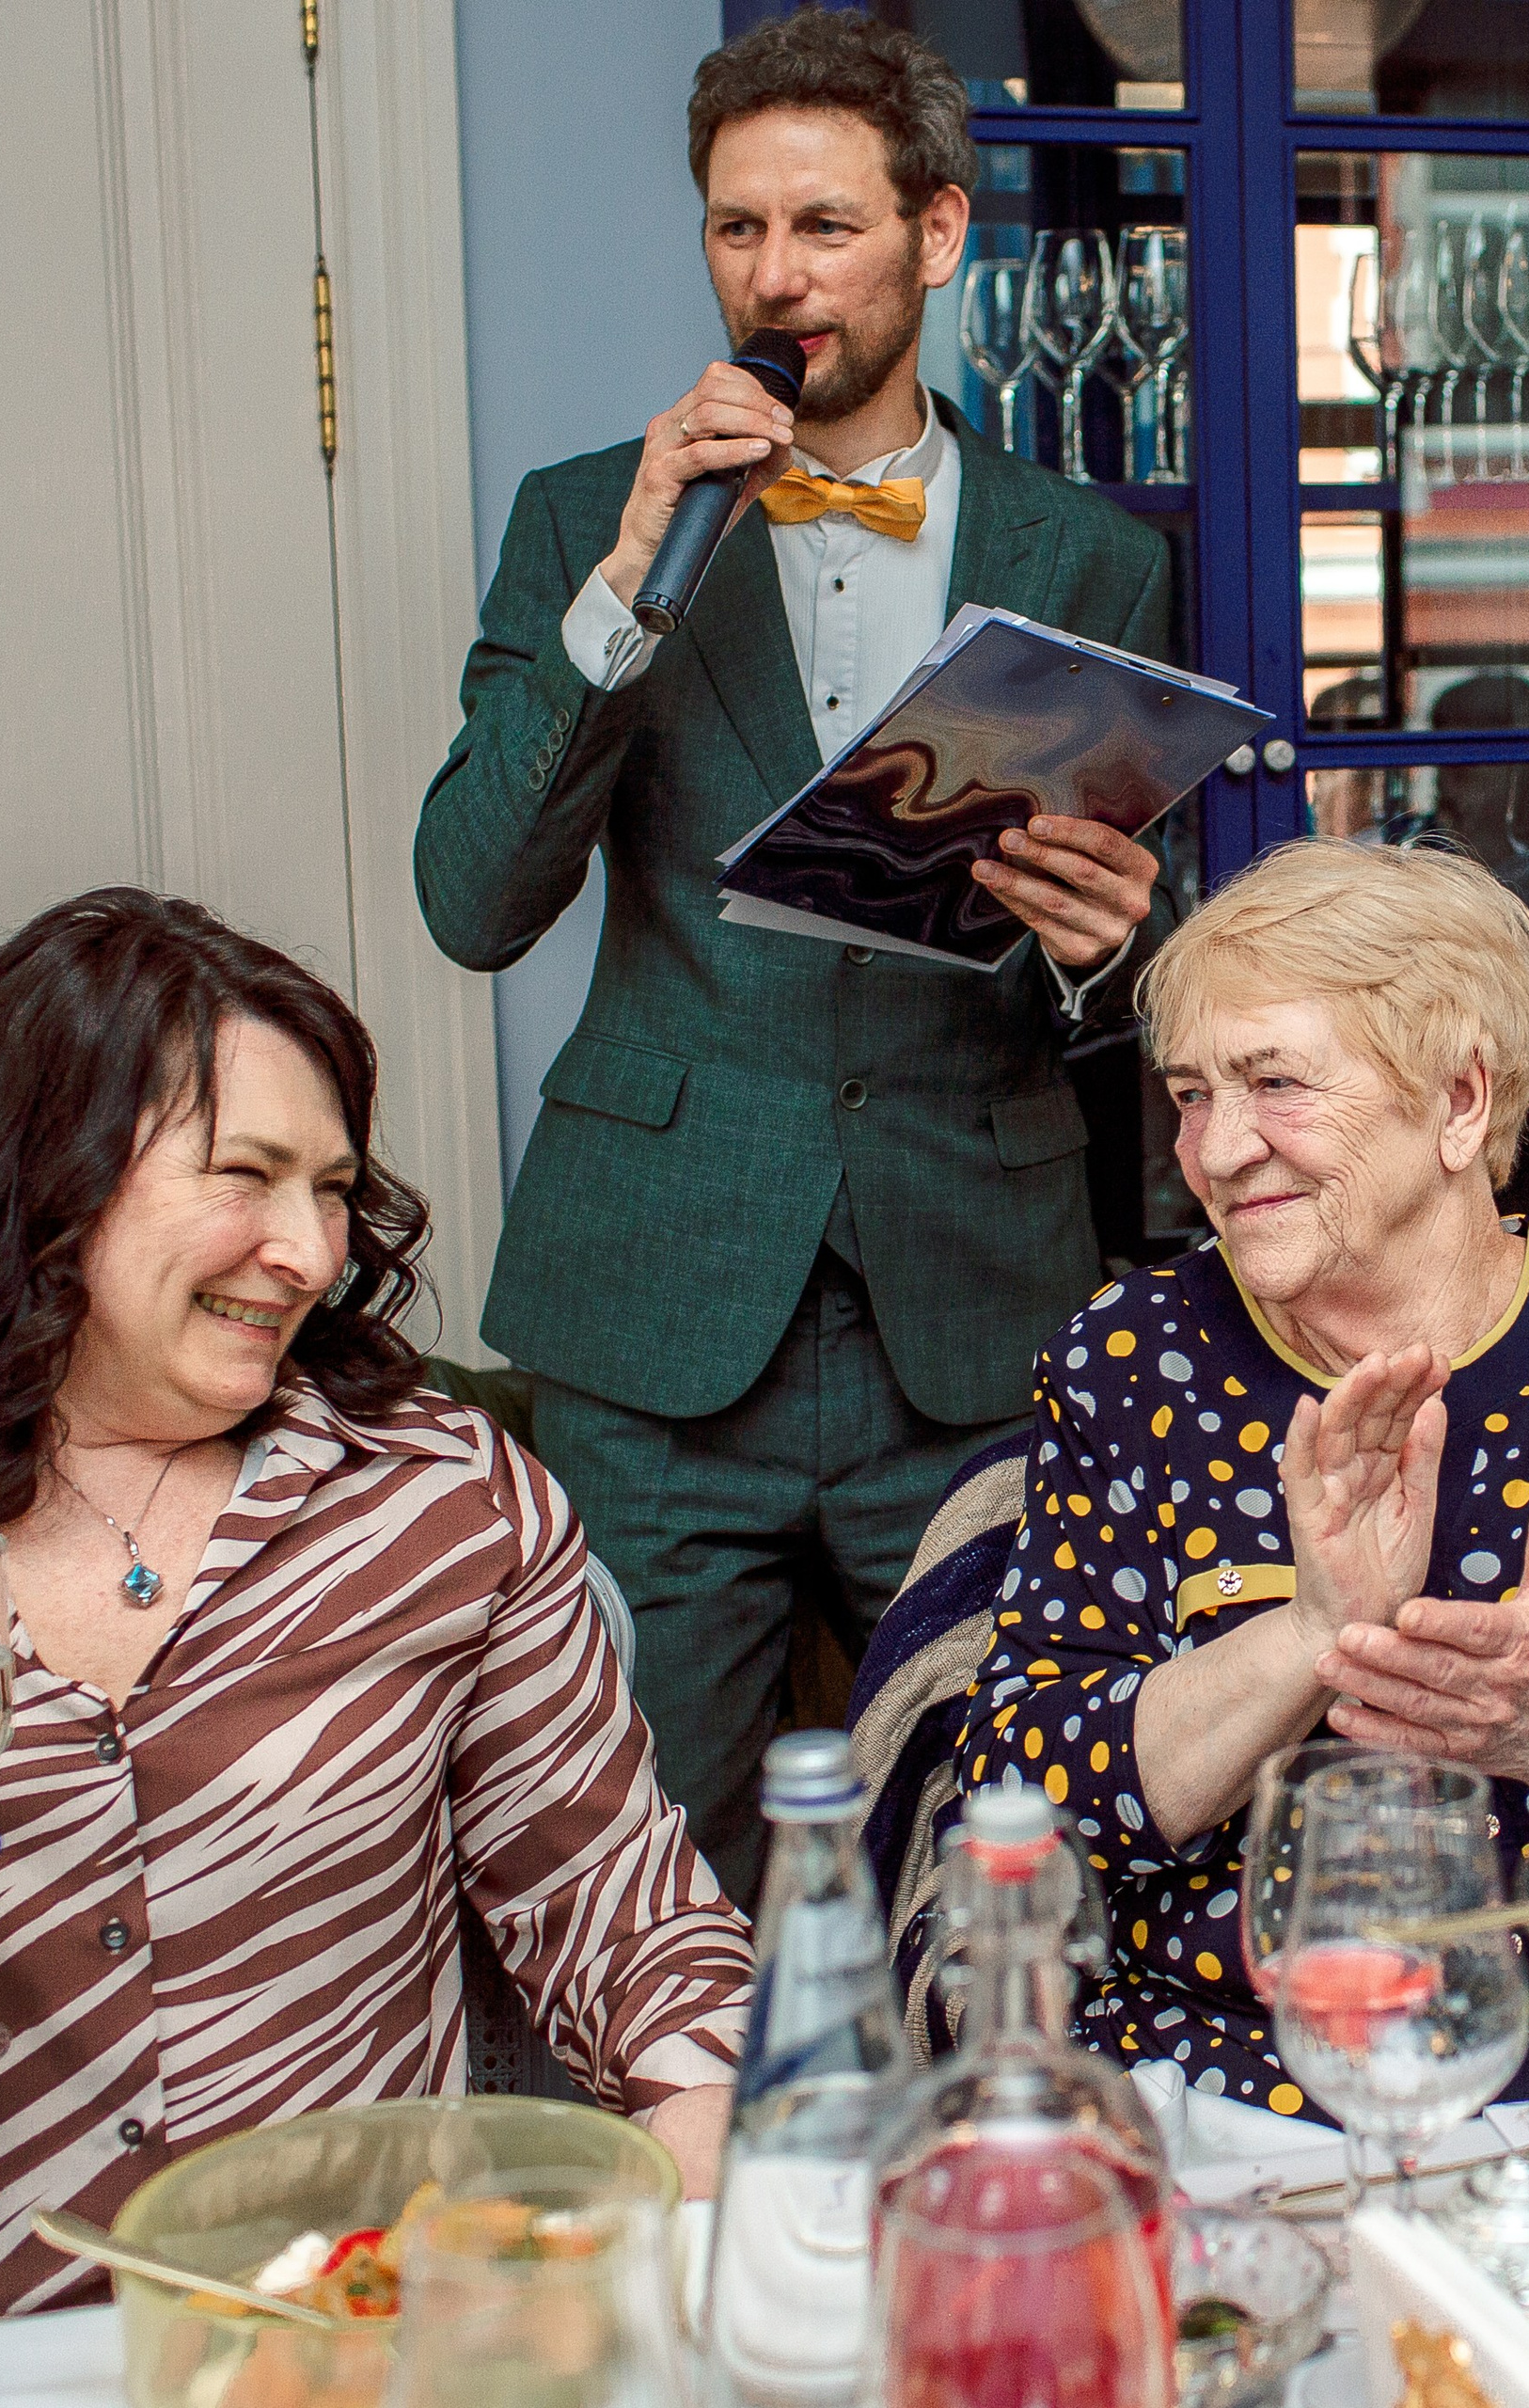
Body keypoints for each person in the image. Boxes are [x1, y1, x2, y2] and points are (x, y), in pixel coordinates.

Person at [415, 14, 1171, 1904]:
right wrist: (634, 568)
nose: (773, 274)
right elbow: (471, 900)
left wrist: (1098, 954)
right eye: (735, 228)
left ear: (936, 231)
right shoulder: (586, 520)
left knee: (1003, 1834)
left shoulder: (1088, 556)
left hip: (968, 1302)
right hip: (661, 1311)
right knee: (642, 1857)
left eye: (822, 226)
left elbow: (1083, 954)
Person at [955, 843, 1529, 2111]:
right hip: (1233, 2086)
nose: (1218, 1150)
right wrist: (1311, 1635)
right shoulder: (1135, 1359)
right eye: (1188, 1094)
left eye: (1275, 1083)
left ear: (1459, 1101)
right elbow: (1019, 1802)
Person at [0, 893, 749, 2315]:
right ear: (54, 1172)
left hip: (360, 2333)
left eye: (332, 1188)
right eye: (247, 1173)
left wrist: (707, 2101)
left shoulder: (438, 1499)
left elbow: (615, 1897)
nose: (311, 1252)